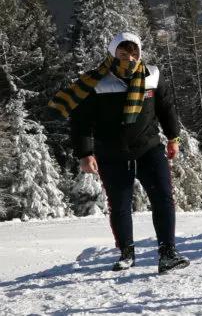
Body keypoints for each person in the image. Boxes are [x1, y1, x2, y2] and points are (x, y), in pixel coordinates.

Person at [52, 32, 189, 274]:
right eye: (123, 53)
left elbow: (166, 108)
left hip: (149, 148)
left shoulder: (152, 75)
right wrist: (85, 153)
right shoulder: (96, 82)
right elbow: (81, 122)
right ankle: (126, 253)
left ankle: (168, 252)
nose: (130, 58)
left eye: (134, 52)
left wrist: (173, 138)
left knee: (164, 199)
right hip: (112, 152)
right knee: (120, 204)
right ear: (113, 54)